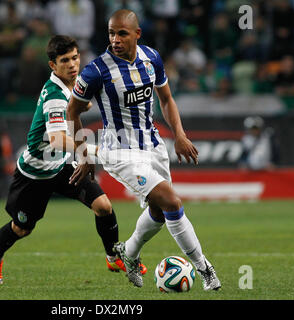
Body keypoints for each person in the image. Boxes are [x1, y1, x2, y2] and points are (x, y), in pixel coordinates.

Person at [67, 9, 221, 290]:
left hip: (153, 146)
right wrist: (83, 153)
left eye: (122, 33)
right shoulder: (96, 71)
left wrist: (180, 135)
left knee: (160, 212)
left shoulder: (151, 58)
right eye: (111, 33)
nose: (115, 39)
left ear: (137, 34)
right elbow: (72, 111)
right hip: (120, 152)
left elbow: (167, 98)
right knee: (172, 202)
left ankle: (128, 251)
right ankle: (205, 269)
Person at [0, 35, 146, 284]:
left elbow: (78, 108)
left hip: (60, 166)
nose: (72, 64)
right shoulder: (54, 97)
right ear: (53, 65)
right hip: (35, 173)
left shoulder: (73, 84)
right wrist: (93, 151)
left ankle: (114, 256)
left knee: (103, 206)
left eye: (74, 58)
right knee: (21, 228)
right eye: (64, 61)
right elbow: (58, 140)